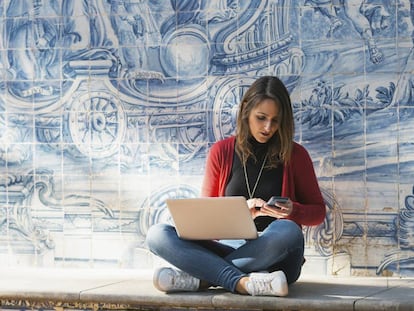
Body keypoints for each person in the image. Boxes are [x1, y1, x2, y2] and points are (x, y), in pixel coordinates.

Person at [146, 76, 326, 296]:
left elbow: (318, 213)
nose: (268, 127)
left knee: (288, 229)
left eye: (275, 120)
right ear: (245, 112)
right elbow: (206, 220)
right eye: (261, 118)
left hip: (277, 252)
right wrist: (240, 214)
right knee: (157, 234)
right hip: (231, 247)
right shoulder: (221, 152)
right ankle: (244, 282)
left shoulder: (296, 155)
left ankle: (204, 278)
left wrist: (293, 211)